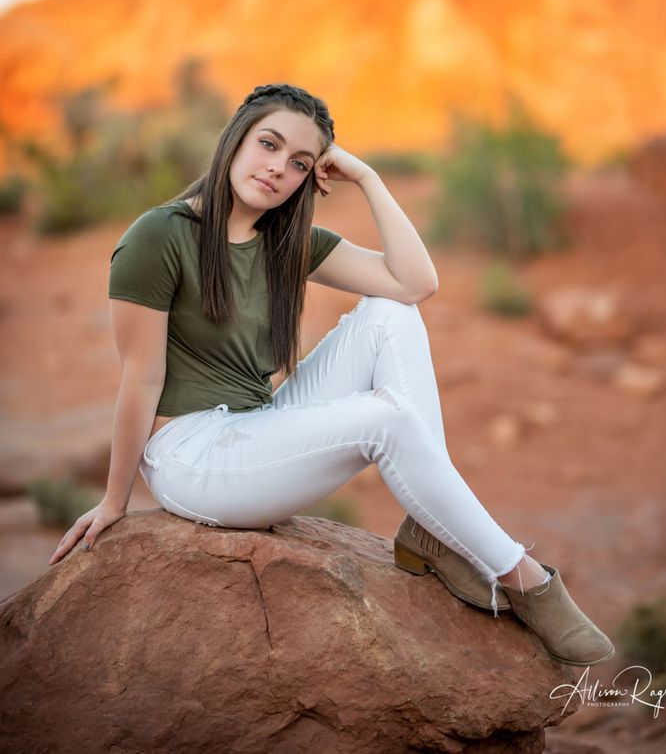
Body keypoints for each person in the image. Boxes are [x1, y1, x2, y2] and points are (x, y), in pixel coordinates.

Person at [48, 81, 614, 666]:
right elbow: (139, 380)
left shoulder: (284, 241)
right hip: (190, 457)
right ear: (235, 137)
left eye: (297, 163)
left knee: (390, 313)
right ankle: (524, 578)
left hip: (255, 428)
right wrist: (115, 502)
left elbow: (415, 284)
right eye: (267, 144)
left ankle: (433, 533)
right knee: (383, 419)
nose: (276, 169)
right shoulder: (158, 237)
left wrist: (369, 178)